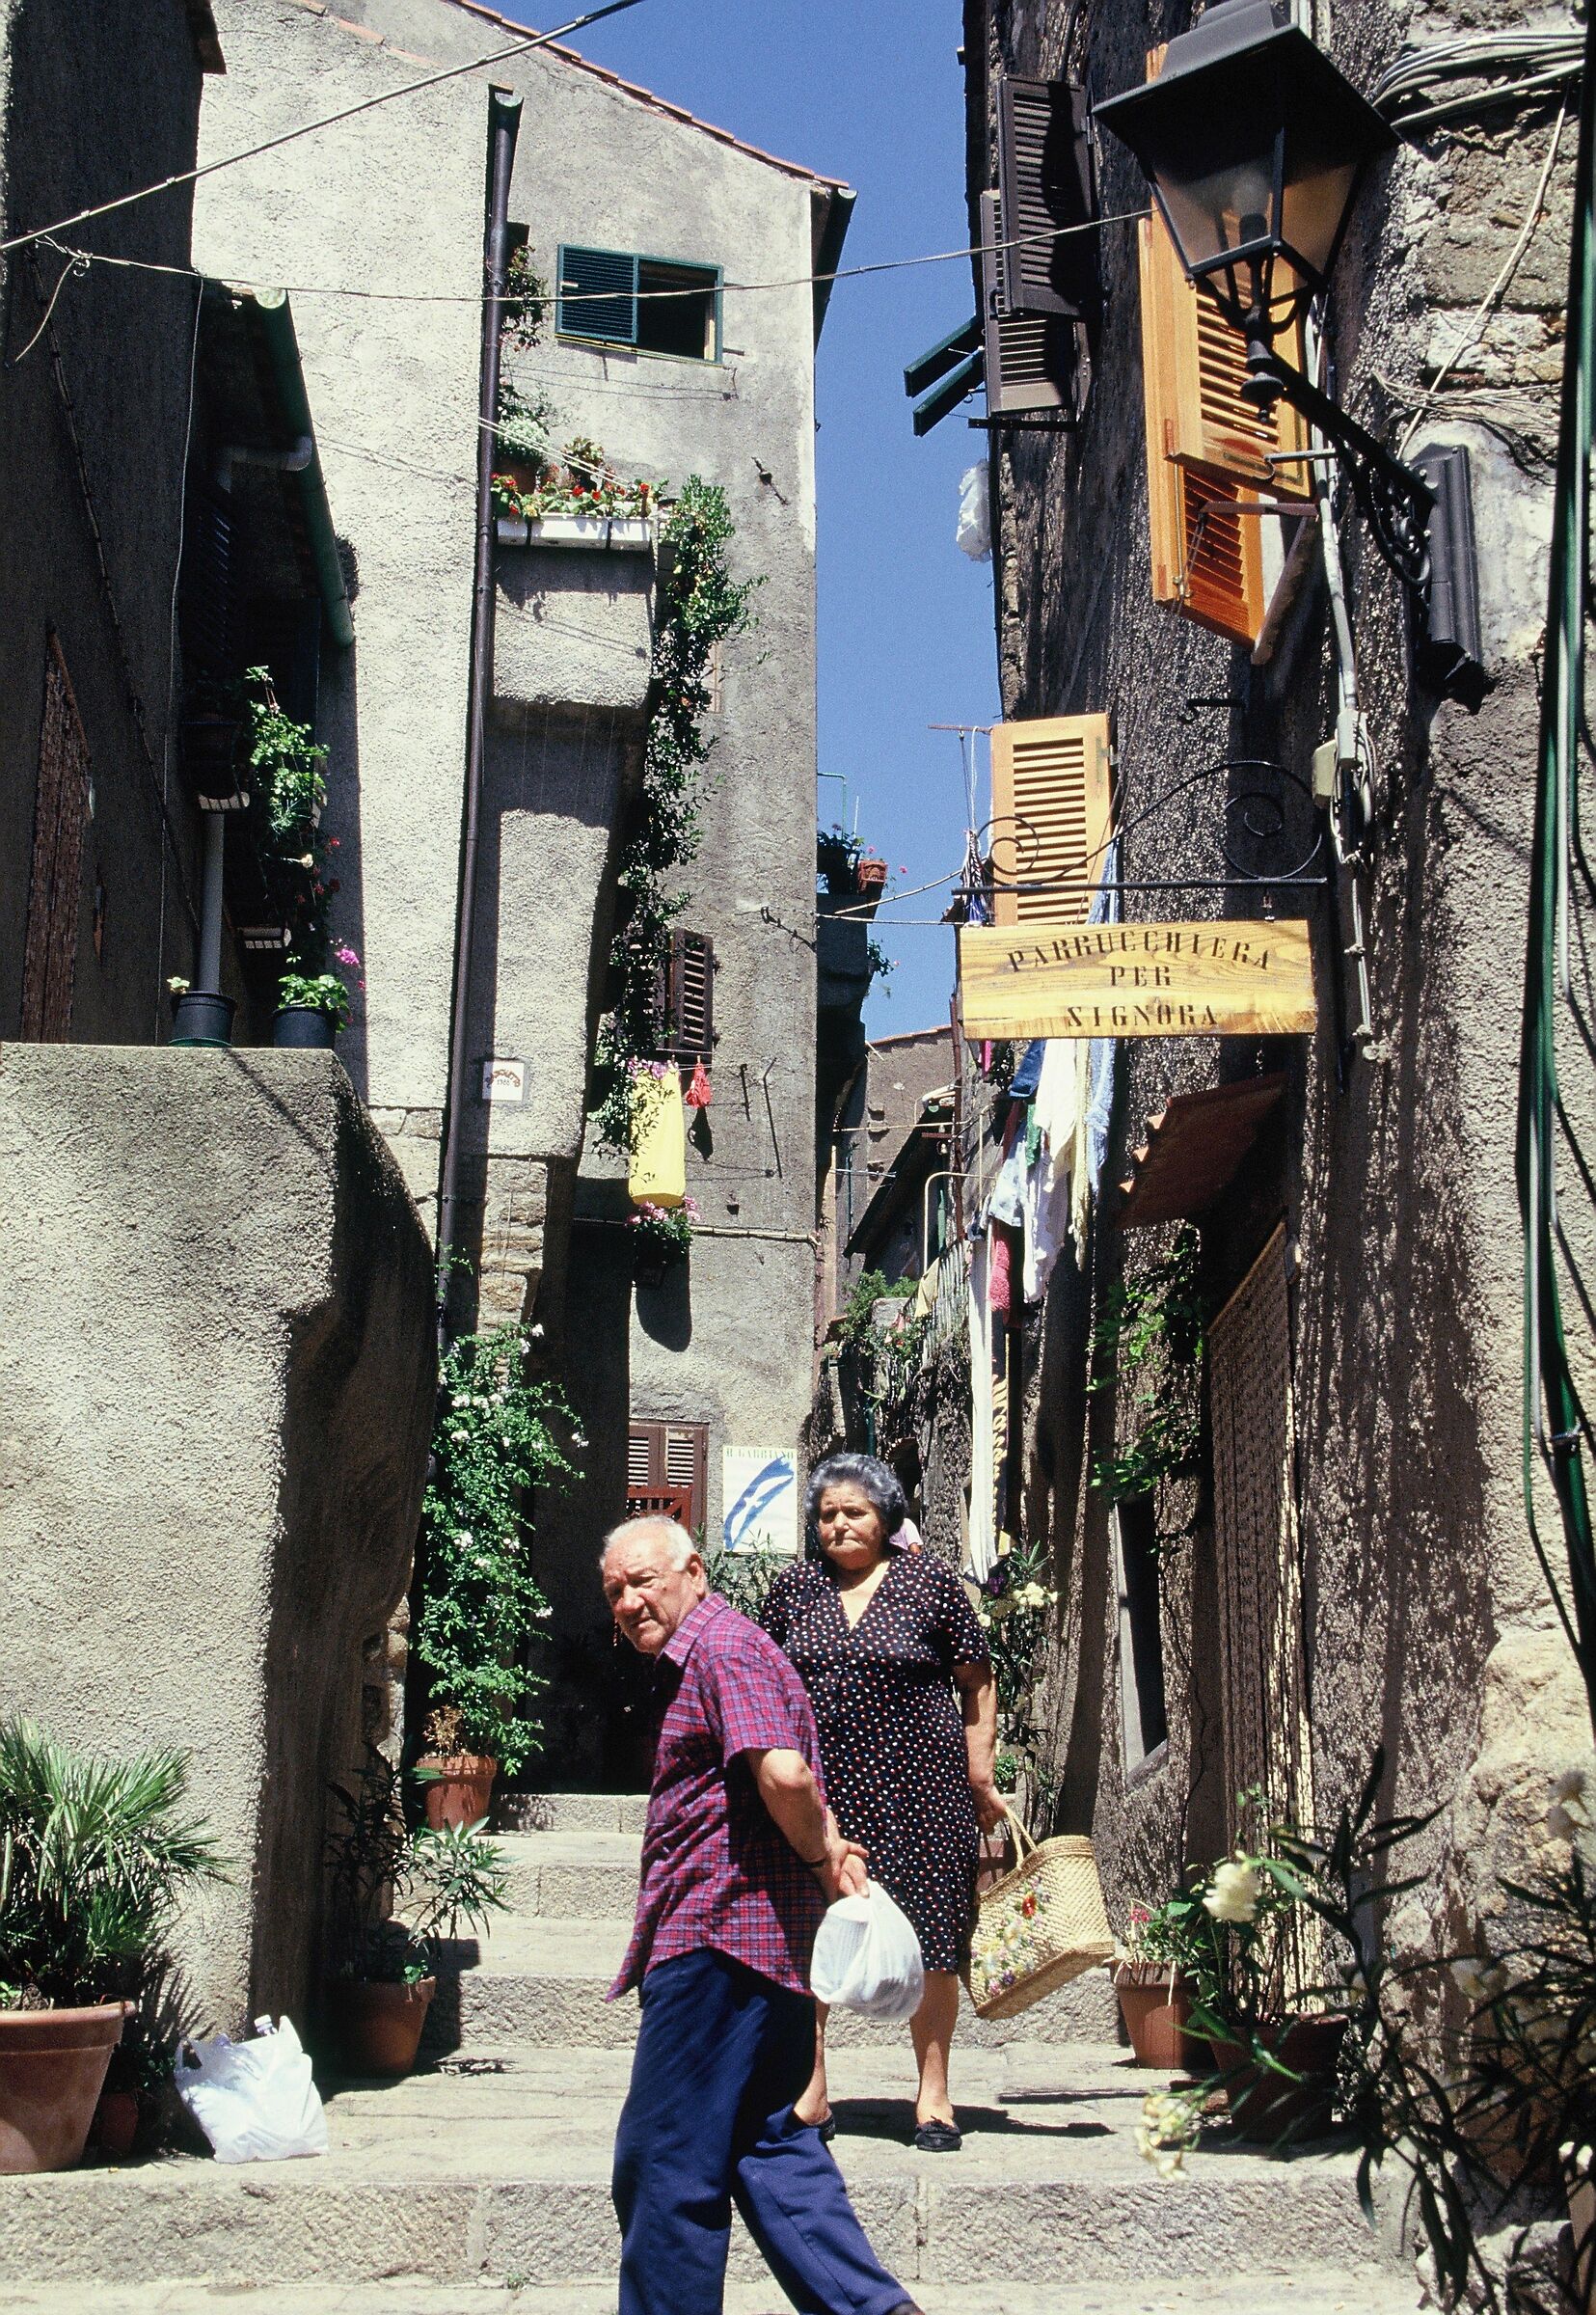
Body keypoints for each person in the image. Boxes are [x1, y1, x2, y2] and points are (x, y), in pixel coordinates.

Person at [602, 1514, 924, 2315]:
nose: (629, 1602)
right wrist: (827, 1849)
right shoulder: (723, 1650)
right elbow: (776, 1772)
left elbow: (783, 1775)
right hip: (761, 1946)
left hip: (716, 1941)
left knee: (663, 2161)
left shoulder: (722, 1647)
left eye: (643, 1581)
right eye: (614, 1592)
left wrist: (821, 1861)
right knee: (771, 2145)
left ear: (694, 1573)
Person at [760, 1453, 1003, 2154]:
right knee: (812, 1933)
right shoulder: (794, 1588)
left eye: (854, 1512)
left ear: (885, 1516)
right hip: (824, 1793)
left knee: (933, 1939)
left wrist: (980, 1773)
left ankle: (933, 2096)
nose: (839, 1524)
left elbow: (976, 1681)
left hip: (923, 1790)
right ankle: (811, 2091)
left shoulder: (930, 1583)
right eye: (827, 1514)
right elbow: (765, 1684)